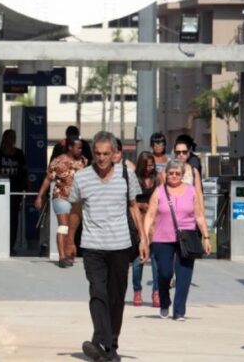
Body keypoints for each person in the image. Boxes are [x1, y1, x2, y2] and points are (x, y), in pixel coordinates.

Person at [65, 131, 148, 362]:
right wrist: (70, 240)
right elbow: (76, 211)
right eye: (97, 153)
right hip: (92, 246)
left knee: (116, 297)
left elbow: (134, 207)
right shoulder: (82, 177)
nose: (101, 158)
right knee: (98, 292)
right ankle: (106, 346)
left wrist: (143, 238)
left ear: (114, 154)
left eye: (105, 154)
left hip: (121, 245)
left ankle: (106, 343)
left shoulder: (126, 175)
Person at [144, 160, 212, 321]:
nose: (174, 176)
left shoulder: (191, 191)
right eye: (171, 173)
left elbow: (199, 215)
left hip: (187, 236)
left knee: (184, 275)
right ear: (165, 174)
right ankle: (164, 301)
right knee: (164, 272)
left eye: (177, 173)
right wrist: (145, 237)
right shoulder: (159, 191)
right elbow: (150, 215)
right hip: (162, 238)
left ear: (182, 175)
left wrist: (206, 237)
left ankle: (179, 310)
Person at [34, 136, 88, 268]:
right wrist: (40, 196)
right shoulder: (58, 161)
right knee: (63, 226)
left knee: (72, 229)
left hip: (77, 199)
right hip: (61, 197)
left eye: (81, 147)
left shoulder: (83, 161)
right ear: (70, 147)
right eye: (78, 147)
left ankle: (70, 250)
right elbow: (48, 179)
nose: (80, 150)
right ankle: (62, 256)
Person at [0, 129, 29, 255]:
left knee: (13, 219)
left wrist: (27, 186)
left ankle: (10, 246)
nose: (11, 140)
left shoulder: (19, 154)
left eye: (14, 137)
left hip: (15, 190)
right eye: (9, 137)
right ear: (4, 138)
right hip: (0, 190)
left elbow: (24, 172)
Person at [131, 151, 160, 307]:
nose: (150, 168)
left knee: (156, 258)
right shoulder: (134, 179)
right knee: (138, 259)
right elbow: (130, 201)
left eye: (152, 165)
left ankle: (156, 292)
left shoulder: (157, 178)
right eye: (147, 165)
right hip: (140, 219)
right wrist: (142, 205)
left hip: (154, 220)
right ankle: (137, 291)